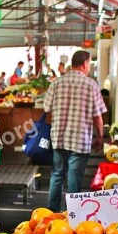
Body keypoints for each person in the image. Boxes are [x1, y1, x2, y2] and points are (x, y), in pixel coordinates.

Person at [44, 50, 106, 212]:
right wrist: (100, 137)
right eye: (90, 64)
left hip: (59, 138)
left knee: (57, 175)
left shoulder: (56, 83)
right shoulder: (90, 85)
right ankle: (73, 215)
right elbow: (97, 117)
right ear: (85, 64)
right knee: (74, 178)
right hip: (80, 140)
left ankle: (53, 213)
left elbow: (47, 110)